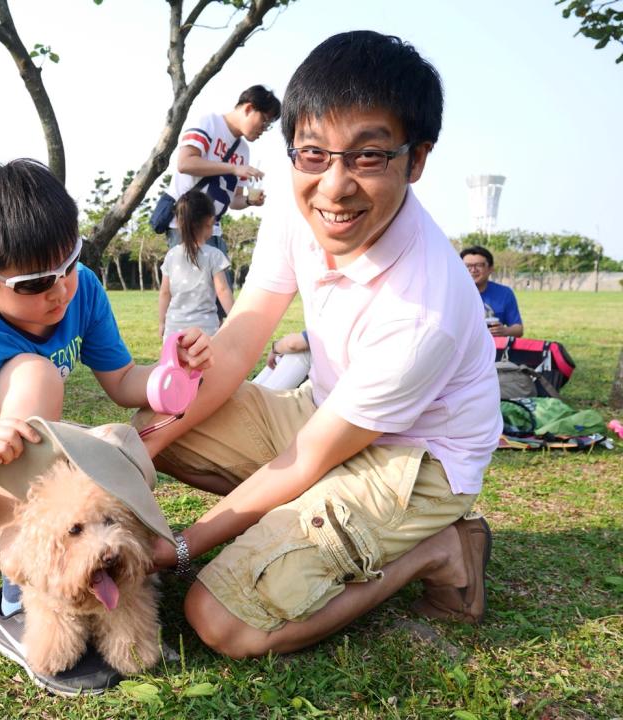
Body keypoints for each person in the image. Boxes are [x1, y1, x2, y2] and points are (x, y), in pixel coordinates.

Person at [133, 30, 501, 659]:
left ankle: (434, 552)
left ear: (416, 160)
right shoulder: (295, 199)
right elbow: (247, 327)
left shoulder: (424, 309)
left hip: (413, 459)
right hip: (325, 409)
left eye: (367, 156)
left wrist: (184, 546)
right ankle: (305, 529)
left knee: (222, 620)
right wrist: (135, 452)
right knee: (162, 424)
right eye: (313, 153)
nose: (333, 187)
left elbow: (308, 458)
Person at [0, 159, 212, 694]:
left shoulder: (81, 288)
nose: (61, 290)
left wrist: (172, 373)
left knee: (98, 437)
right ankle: (16, 598)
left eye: (71, 263)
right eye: (35, 282)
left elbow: (121, 381)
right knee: (36, 379)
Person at [167, 84, 282, 316]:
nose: (264, 128)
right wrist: (232, 167)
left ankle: (219, 347)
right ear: (249, 108)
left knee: (220, 301)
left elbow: (235, 201)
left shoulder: (243, 150)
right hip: (186, 227)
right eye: (265, 121)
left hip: (214, 231)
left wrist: (250, 201)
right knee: (194, 304)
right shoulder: (208, 123)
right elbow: (185, 162)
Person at [158, 190, 235, 340]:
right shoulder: (214, 255)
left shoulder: (171, 255)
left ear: (180, 223)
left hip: (174, 330)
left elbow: (165, 293)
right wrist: (233, 321)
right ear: (210, 222)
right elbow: (223, 291)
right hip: (205, 331)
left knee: (175, 364)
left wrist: (162, 322)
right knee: (206, 363)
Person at [460, 245, 524, 337]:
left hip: (494, 348)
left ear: (491, 268)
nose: (473, 270)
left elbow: (518, 329)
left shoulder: (505, 293)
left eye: (479, 265)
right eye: (467, 266)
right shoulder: (451, 294)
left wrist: (505, 331)